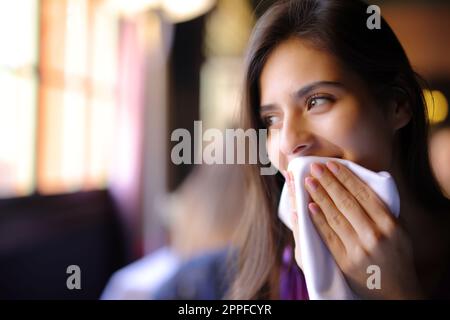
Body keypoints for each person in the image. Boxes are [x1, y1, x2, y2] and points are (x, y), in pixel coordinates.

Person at [228, 0, 450, 299]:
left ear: (397, 104)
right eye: (272, 119)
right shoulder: (282, 275)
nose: (289, 143)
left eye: (317, 100)